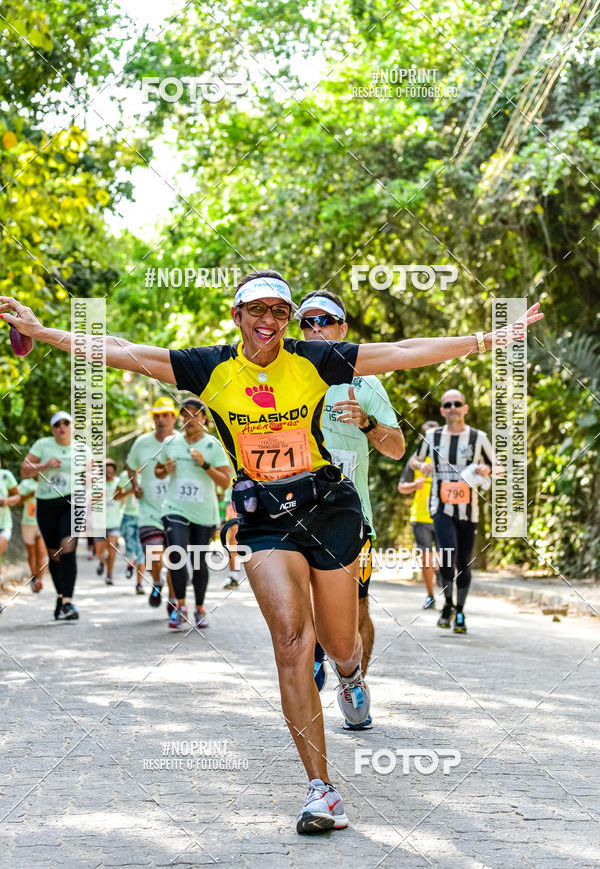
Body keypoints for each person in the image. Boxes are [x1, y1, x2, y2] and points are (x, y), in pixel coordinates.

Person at [0, 281, 542, 834]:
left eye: (280, 311)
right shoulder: (207, 367)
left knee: (340, 642)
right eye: (258, 309)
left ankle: (351, 675)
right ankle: (321, 790)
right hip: (264, 518)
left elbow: (402, 352)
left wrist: (483, 339)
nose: (270, 320)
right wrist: (41, 333)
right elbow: (122, 350)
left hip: (328, 506)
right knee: (291, 640)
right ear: (236, 314)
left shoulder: (314, 359)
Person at [297, 289, 405, 729]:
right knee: (300, 609)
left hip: (352, 520)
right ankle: (316, 663)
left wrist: (368, 422)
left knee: (355, 610)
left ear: (343, 329)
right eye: (307, 322)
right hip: (294, 517)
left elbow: (397, 449)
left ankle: (353, 679)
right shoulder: (282, 379)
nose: (316, 328)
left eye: (326, 320)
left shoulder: (365, 382)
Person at [411, 389, 497, 634]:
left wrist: (485, 470)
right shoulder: (432, 435)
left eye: (457, 403)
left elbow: (496, 466)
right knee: (447, 557)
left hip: (469, 511)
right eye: (447, 404)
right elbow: (414, 460)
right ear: (442, 410)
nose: (452, 408)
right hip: (440, 507)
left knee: (463, 562)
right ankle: (447, 605)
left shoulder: (478, 438)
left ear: (465, 408)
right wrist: (423, 466)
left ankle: (460, 610)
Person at [155, 397, 231, 629]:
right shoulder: (171, 442)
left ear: (204, 419)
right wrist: (164, 469)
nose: (190, 420)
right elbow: (158, 471)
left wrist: (205, 464)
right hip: (174, 508)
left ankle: (199, 607)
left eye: (195, 415)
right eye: (185, 415)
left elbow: (226, 481)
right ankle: (180, 607)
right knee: (177, 555)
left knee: (199, 562)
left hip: (204, 513)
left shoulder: (213, 445)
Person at [20, 411, 81, 620]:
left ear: (72, 426)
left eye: (66, 423)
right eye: (57, 424)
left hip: (72, 501)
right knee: (54, 555)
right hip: (46, 504)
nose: (61, 427)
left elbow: (93, 474)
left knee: (68, 546)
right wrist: (45, 465)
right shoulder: (43, 445)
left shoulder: (82, 448)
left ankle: (69, 603)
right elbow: (24, 470)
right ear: (52, 429)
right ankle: (61, 596)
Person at [125, 397, 177, 609]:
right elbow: (130, 466)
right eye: (157, 416)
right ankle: (156, 581)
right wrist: (135, 485)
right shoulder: (142, 443)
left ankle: (174, 600)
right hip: (148, 510)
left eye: (165, 415)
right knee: (153, 553)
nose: (161, 420)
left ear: (174, 417)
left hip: (176, 511)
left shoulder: (181, 443)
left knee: (175, 558)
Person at [397, 420, 440, 609]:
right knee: (426, 559)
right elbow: (401, 487)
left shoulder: (446, 459)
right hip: (420, 517)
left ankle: (441, 580)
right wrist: (415, 485)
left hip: (443, 516)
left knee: (442, 559)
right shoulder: (415, 462)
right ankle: (430, 595)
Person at [115, 464, 145, 593]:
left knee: (141, 551)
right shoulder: (124, 476)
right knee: (131, 548)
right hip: (128, 517)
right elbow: (116, 496)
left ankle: (139, 584)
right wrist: (130, 492)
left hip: (144, 518)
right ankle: (130, 564)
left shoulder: (149, 476)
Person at [93, 459, 123, 585]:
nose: (109, 473)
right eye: (106, 471)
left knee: (112, 550)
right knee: (99, 552)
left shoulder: (119, 483)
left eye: (111, 471)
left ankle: (109, 575)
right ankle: (101, 561)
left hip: (115, 522)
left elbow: (123, 498)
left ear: (114, 472)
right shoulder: (97, 484)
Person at [17, 476, 48, 592]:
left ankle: (39, 579)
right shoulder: (26, 483)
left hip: (43, 522)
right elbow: (17, 500)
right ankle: (34, 575)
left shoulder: (48, 482)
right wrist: (29, 495)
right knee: (31, 553)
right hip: (28, 522)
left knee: (40, 551)